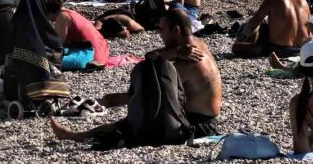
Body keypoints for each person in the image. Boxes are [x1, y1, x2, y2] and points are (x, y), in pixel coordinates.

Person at [50, 8, 222, 142]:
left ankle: (77, 136)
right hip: (206, 118)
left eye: (162, 30)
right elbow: (153, 57)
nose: (160, 35)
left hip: (198, 125)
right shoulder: (199, 44)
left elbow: (149, 93)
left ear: (176, 30)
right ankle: (88, 123)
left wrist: (114, 100)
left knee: (133, 123)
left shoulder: (189, 62)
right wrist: (176, 51)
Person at [232, 0, 310, 58]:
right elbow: (309, 27)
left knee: (236, 47)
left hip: (280, 50)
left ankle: (257, 47)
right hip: (303, 49)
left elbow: (254, 23)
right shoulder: (303, 0)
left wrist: (241, 37)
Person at [41, 0, 110, 67]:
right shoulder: (71, 13)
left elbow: (57, 44)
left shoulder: (62, 16)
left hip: (91, 56)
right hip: (102, 51)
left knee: (42, 61)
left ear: (48, 11)